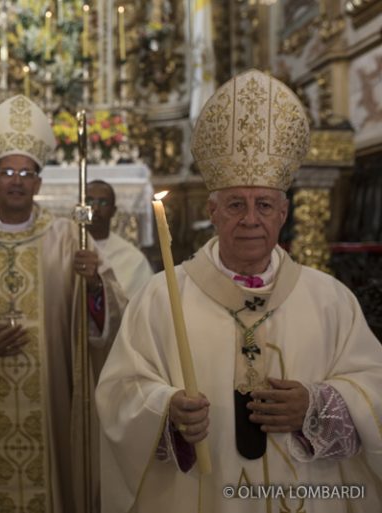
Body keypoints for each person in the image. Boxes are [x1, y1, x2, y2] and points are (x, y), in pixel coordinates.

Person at [96, 69, 382, 512]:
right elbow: (119, 395)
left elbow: (373, 387)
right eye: (235, 204)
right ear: (212, 211)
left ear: (283, 212)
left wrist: (317, 405)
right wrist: (166, 411)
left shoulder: (330, 300)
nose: (250, 219)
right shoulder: (161, 298)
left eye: (264, 204)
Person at [0, 94, 127, 513]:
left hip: (52, 406)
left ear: (38, 182)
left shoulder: (71, 239)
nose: (16, 179)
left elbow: (111, 318)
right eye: (7, 171)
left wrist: (94, 286)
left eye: (26, 172)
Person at [86, 179, 153, 299]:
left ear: (113, 211)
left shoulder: (133, 259)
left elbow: (138, 307)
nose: (95, 208)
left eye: (103, 203)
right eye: (89, 201)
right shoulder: (66, 249)